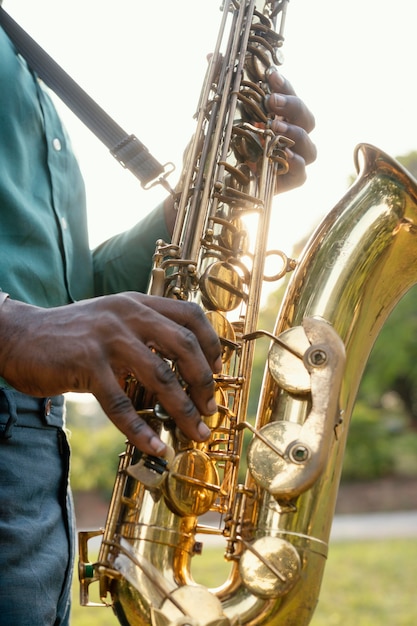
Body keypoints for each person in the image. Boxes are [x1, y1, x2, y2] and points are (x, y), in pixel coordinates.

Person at [0, 7, 316, 626]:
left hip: (33, 457)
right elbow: (31, 325)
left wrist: (201, 207)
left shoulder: (22, 62)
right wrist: (11, 329)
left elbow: (62, 300)